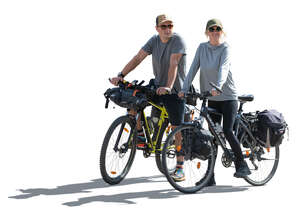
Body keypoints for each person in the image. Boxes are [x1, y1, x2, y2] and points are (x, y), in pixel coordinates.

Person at [178, 18, 251, 184]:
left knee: (227, 131)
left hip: (228, 97)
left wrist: (218, 86)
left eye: (218, 29)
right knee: (213, 137)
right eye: (212, 29)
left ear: (222, 32)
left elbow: (224, 68)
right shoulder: (202, 48)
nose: (215, 32)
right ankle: (210, 176)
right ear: (207, 32)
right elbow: (193, 69)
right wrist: (184, 89)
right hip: (212, 98)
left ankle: (242, 165)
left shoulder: (225, 48)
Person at [109, 14, 186, 151]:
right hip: (157, 86)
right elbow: (138, 58)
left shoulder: (177, 40)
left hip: (175, 90)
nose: (168, 29)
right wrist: (121, 75)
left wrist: (168, 87)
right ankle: (140, 135)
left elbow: (173, 64)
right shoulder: (154, 40)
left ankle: (180, 165)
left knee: (176, 128)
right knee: (134, 99)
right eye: (164, 26)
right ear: (157, 28)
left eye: (170, 26)